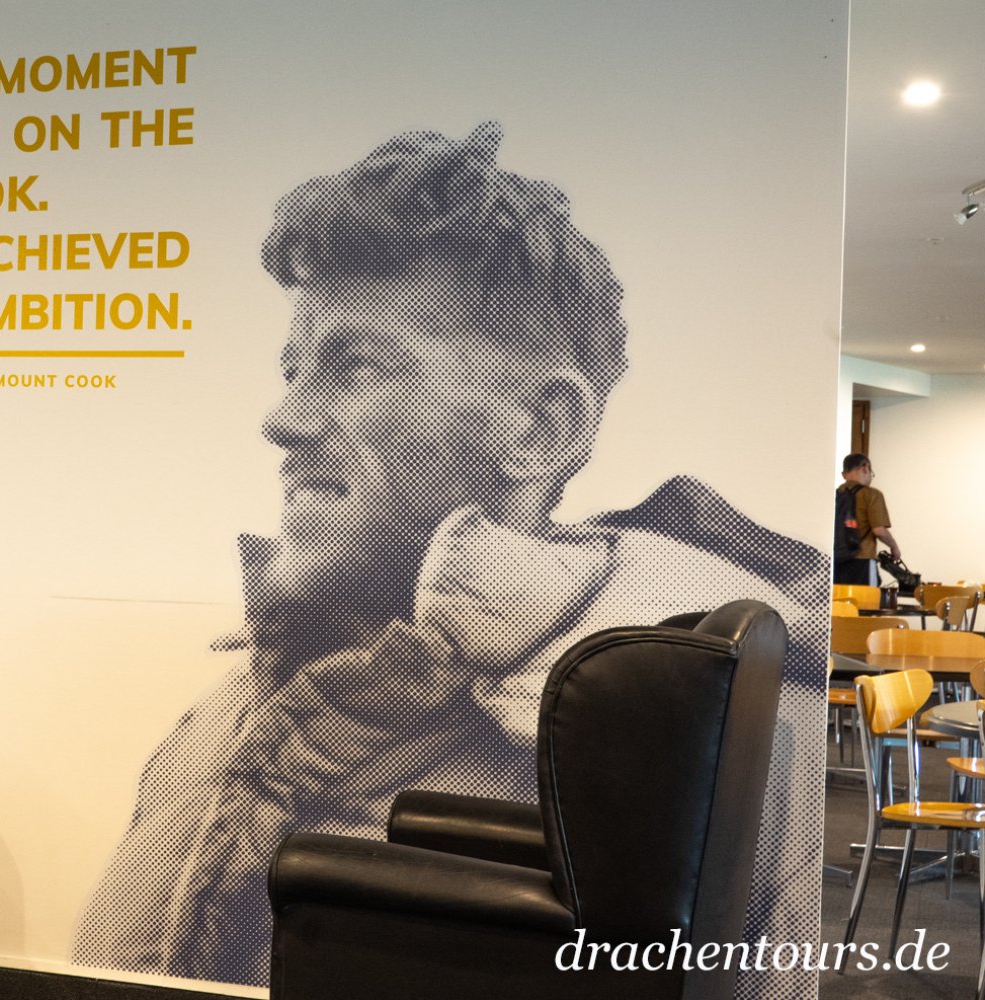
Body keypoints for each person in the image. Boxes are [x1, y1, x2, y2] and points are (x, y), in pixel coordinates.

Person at [72, 123, 825, 993]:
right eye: (292, 370)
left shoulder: (733, 749)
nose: (283, 420)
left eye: (356, 366)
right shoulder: (221, 721)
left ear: (540, 430)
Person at [834, 452, 898, 586]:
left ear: (844, 474)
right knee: (866, 598)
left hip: (836, 561)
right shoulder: (871, 494)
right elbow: (879, 530)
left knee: (840, 598)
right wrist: (894, 547)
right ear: (865, 467)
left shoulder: (836, 495)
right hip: (862, 560)